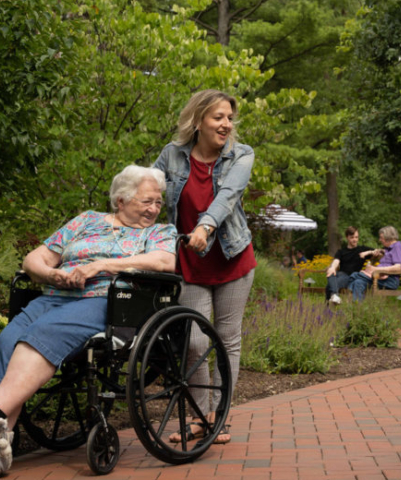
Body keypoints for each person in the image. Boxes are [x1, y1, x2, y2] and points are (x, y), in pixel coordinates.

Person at [0, 166, 176, 479]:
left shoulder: (158, 232)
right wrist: (52, 274)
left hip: (103, 301)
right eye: (145, 202)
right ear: (120, 201)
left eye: (157, 203)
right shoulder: (86, 221)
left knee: (41, 335)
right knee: (7, 340)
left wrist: (101, 265)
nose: (153, 209)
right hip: (54, 297)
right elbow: (33, 259)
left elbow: (165, 261)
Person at [153, 89, 256, 445]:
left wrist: (204, 226)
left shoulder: (241, 155)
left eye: (229, 118)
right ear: (198, 121)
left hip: (232, 260)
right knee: (195, 343)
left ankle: (218, 416)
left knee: (227, 340)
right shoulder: (172, 155)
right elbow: (147, 188)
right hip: (190, 263)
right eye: (218, 117)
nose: (227, 124)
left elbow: (228, 196)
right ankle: (199, 417)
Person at [347, 225, 401, 302]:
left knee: (355, 275)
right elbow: (381, 253)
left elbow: (398, 267)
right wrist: (371, 253)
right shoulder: (388, 248)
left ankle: (348, 300)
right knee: (358, 282)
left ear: (388, 238)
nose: (380, 240)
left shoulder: (397, 247)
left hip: (390, 281)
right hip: (380, 277)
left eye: (381, 238)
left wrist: (376, 269)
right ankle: (357, 310)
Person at [326, 226, 375, 305]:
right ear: (347, 237)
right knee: (331, 271)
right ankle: (334, 296)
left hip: (352, 277)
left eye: (356, 237)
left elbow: (380, 251)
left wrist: (367, 252)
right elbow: (336, 261)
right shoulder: (341, 251)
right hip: (341, 274)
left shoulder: (362, 249)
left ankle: (329, 305)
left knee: (329, 286)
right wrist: (332, 268)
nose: (355, 239)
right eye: (352, 237)